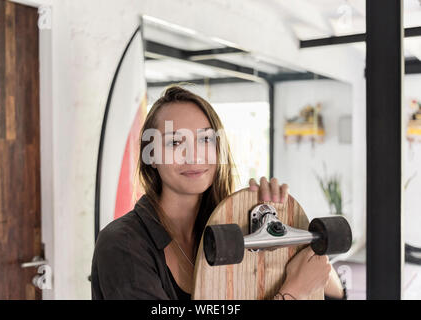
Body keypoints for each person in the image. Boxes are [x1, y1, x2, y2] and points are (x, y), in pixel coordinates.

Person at [91, 85, 345, 300]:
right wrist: (293, 293)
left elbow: (334, 291)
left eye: (205, 139)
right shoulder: (122, 244)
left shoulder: (233, 225)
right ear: (152, 157)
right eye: (174, 142)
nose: (194, 155)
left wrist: (287, 228)